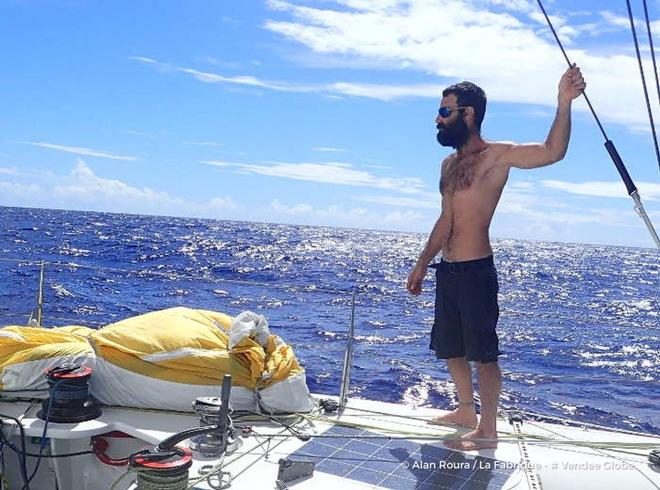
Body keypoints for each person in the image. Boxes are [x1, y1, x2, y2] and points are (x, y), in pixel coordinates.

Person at [406, 65, 586, 451]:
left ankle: (488, 430)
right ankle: (465, 411)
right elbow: (446, 218)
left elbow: (553, 152)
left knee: (484, 355)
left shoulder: (496, 157)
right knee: (450, 348)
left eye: (445, 112)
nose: (438, 119)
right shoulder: (448, 165)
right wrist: (423, 263)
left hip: (475, 271)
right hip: (448, 271)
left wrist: (563, 103)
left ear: (467, 114)